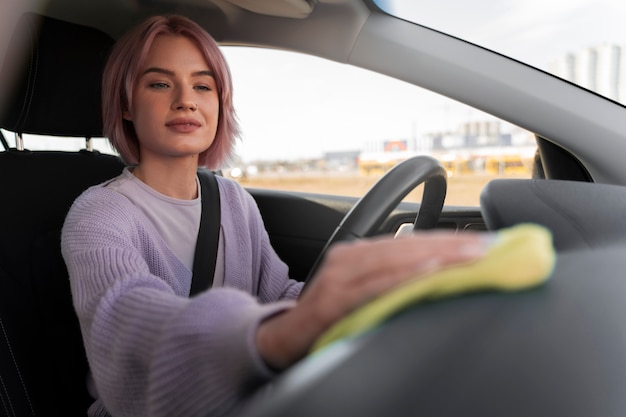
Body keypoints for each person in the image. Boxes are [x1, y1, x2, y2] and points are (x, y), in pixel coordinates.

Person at [61, 14, 488, 417]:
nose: (186, 101)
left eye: (203, 86)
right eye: (158, 84)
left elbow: (276, 292)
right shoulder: (98, 215)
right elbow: (127, 323)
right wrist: (271, 337)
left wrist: (367, 301)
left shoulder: (233, 200)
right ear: (125, 106)